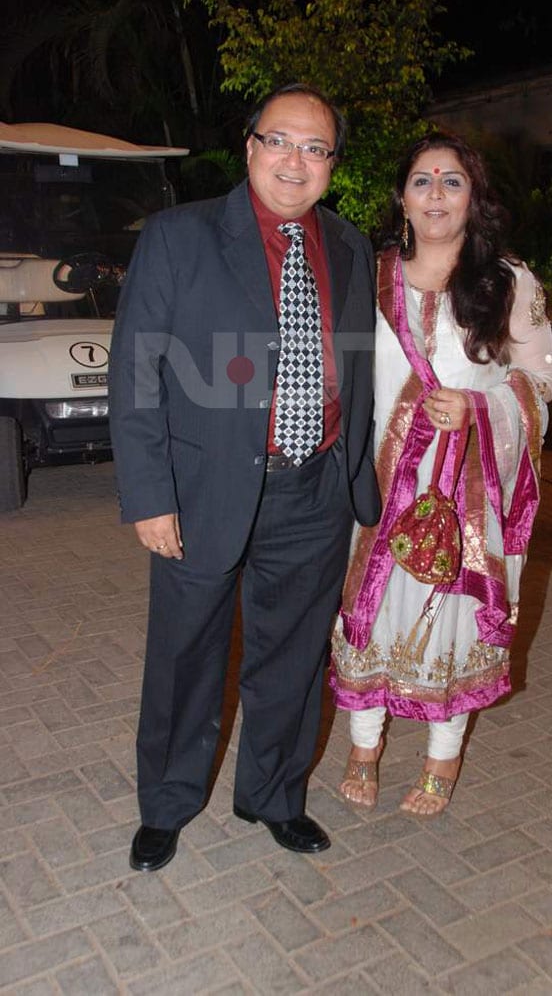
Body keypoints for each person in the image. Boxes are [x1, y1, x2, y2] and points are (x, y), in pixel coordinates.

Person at [109, 82, 380, 870]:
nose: (296, 161)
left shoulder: (352, 247)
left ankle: (274, 795)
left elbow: (357, 371)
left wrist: (355, 478)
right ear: (251, 145)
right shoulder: (178, 236)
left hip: (316, 487)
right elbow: (136, 372)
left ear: (332, 163)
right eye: (280, 141)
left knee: (294, 658)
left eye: (316, 147)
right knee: (185, 656)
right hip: (200, 494)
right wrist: (149, 493)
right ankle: (166, 802)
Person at [330, 131, 552, 815]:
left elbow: (538, 382)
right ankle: (364, 745)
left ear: (473, 198)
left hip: (465, 489)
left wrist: (480, 406)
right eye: (422, 180)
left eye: (452, 180)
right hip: (377, 478)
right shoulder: (367, 276)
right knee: (368, 614)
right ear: (401, 196)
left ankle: (442, 756)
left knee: (449, 618)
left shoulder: (509, 282)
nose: (436, 193)